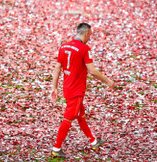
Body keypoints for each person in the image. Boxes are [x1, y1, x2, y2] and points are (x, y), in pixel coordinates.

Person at [50, 23, 116, 158]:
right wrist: (108, 81)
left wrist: (54, 87)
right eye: (90, 35)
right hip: (76, 90)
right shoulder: (84, 49)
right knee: (68, 118)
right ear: (86, 33)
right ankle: (56, 149)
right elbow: (92, 70)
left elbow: (57, 68)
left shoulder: (64, 46)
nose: (90, 38)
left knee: (81, 116)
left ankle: (94, 141)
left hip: (67, 87)